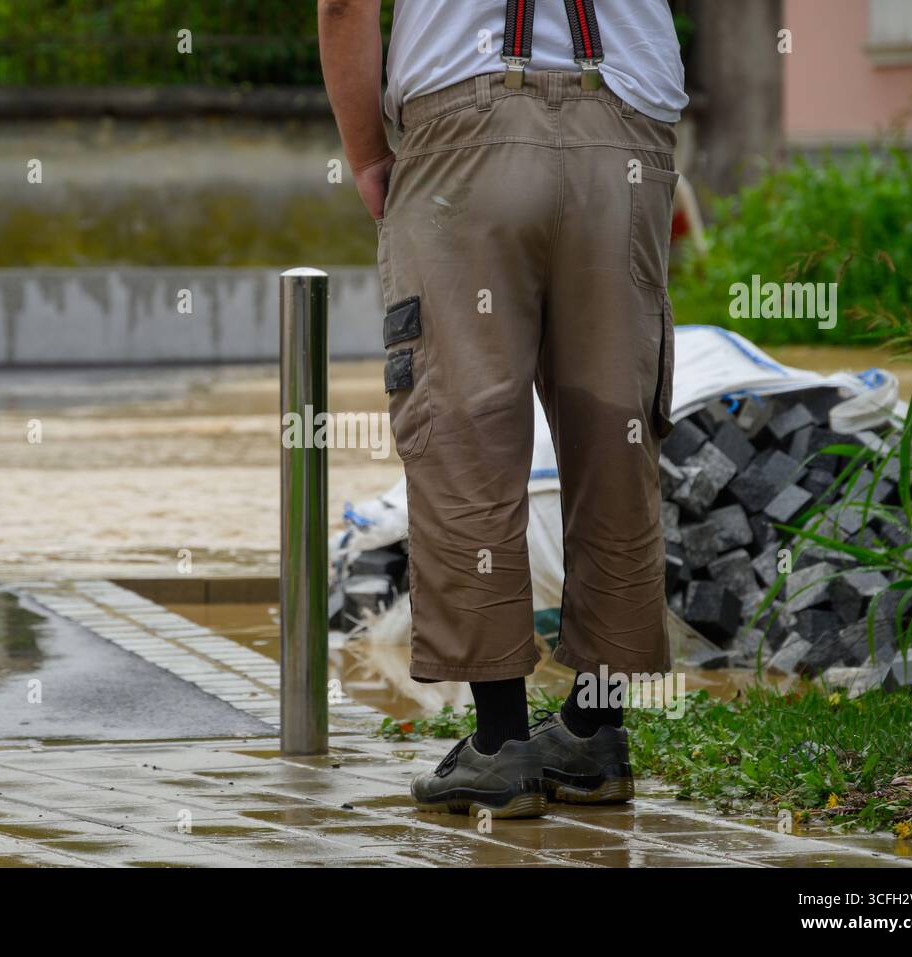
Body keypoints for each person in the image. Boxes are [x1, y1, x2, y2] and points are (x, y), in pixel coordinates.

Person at [318, 0, 688, 817]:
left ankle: (500, 742)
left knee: (465, 425)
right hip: (629, 128)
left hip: (465, 129)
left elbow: (344, 6)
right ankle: (594, 728)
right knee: (614, 427)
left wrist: (368, 154)